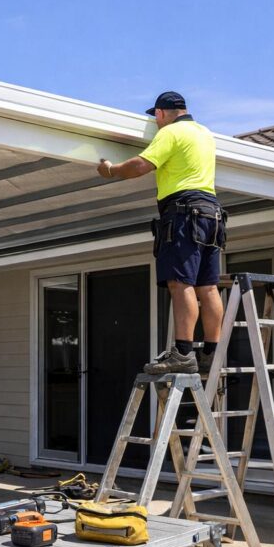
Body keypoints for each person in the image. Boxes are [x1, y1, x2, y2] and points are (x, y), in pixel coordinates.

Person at [98, 91, 226, 374]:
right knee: (208, 287)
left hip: (183, 212)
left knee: (181, 283)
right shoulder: (204, 134)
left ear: (159, 113)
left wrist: (111, 170)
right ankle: (210, 353)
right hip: (212, 213)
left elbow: (140, 166)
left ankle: (182, 353)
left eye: (155, 118)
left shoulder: (171, 133)